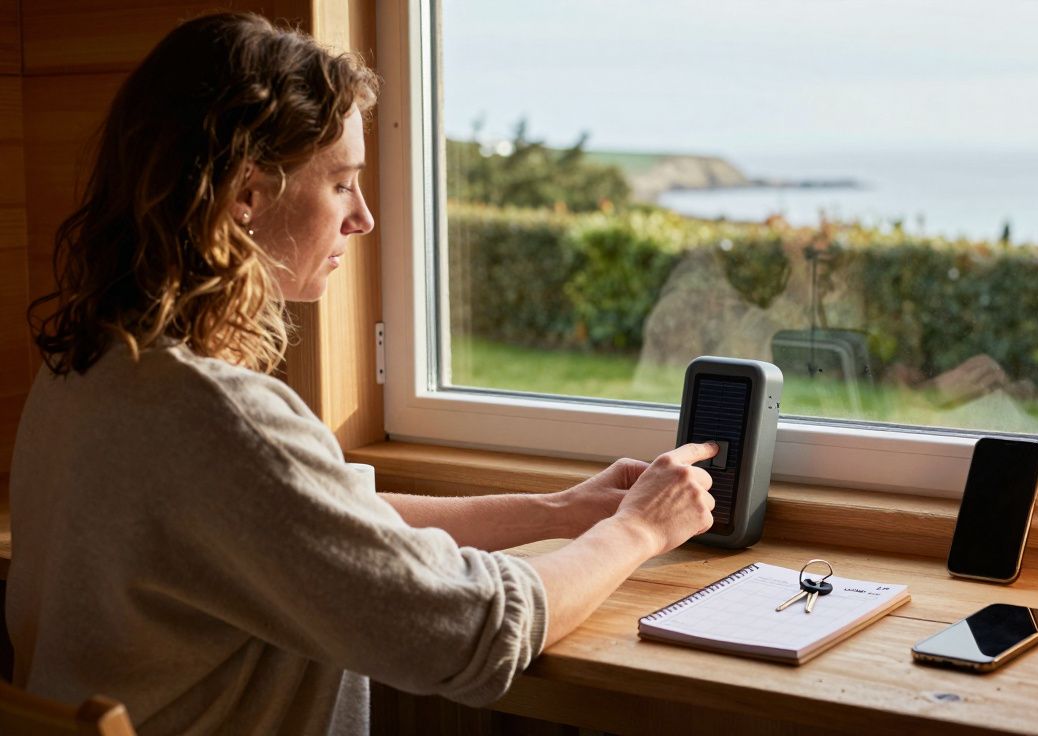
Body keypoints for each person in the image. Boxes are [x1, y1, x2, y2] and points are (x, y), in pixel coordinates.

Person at [7, 12, 718, 735]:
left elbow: (334, 528)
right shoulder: (216, 417)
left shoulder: (91, 369)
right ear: (245, 193)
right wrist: (638, 532)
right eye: (343, 181)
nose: (364, 218)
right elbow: (471, 633)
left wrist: (563, 512)